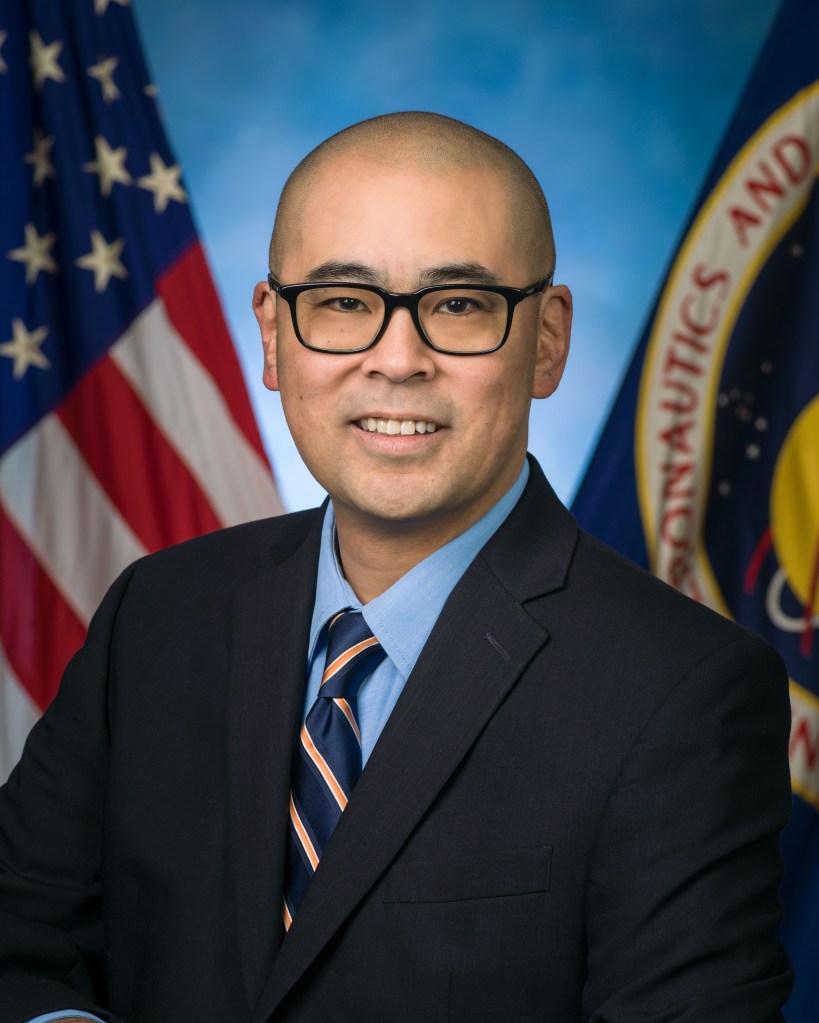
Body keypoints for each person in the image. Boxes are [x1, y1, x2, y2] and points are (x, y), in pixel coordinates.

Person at [0, 112, 793, 1022]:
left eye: (458, 305)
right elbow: (20, 933)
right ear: (271, 331)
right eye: (342, 301)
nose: (397, 359)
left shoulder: (681, 691)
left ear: (546, 339)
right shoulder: (159, 612)